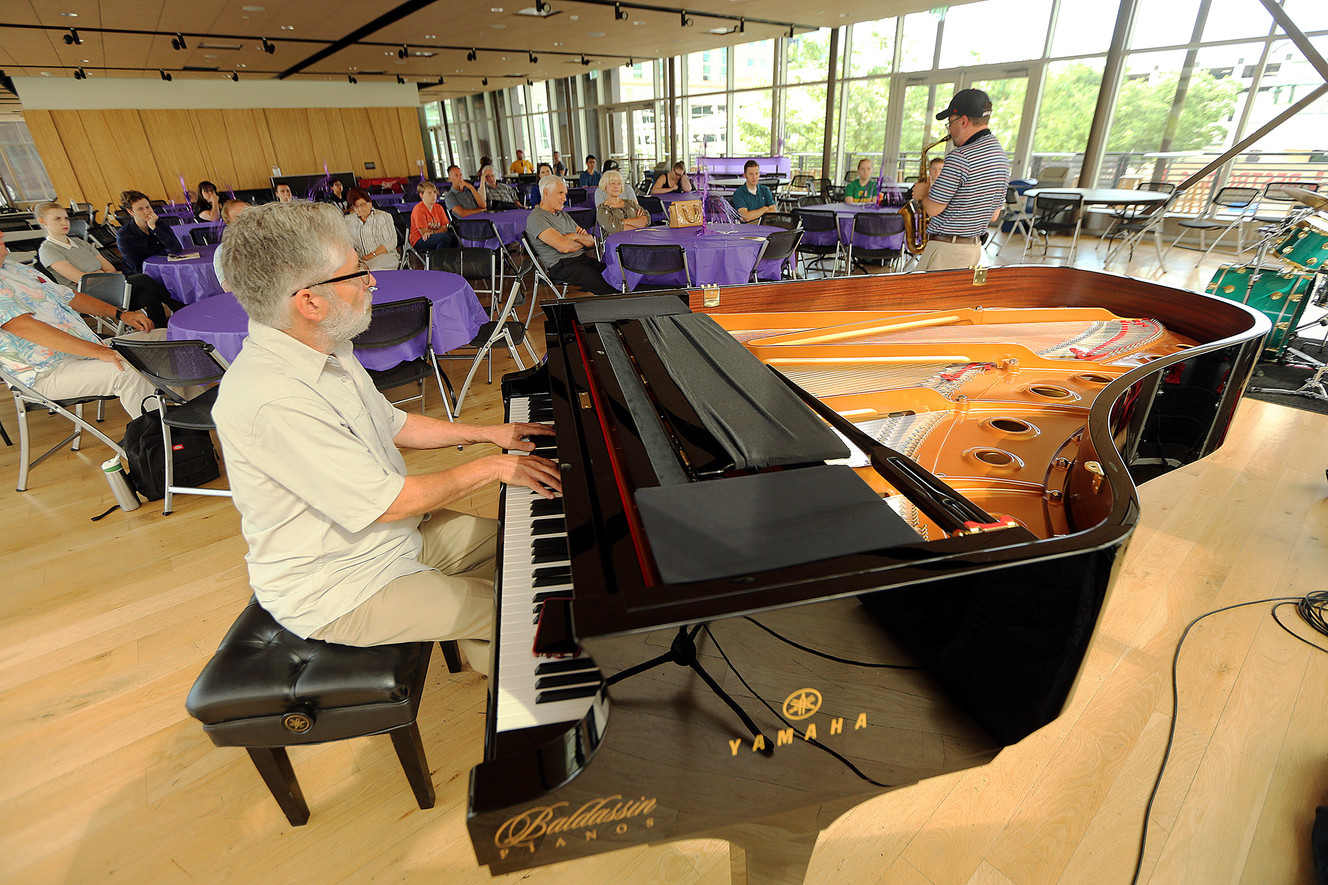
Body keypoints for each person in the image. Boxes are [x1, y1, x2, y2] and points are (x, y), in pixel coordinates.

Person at [212, 200, 560, 674]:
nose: (371, 280)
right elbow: (387, 502)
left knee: (527, 548)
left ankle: (497, 654)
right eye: (356, 273)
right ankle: (523, 677)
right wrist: (494, 466)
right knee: (525, 610)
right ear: (309, 302)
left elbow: (393, 423)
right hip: (341, 584)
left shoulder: (322, 343)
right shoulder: (274, 400)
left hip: (394, 538)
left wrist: (488, 433)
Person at [0, 230, 164, 419]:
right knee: (127, 371)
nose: (2, 234)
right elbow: (23, 326)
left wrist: (121, 314)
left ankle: (192, 420)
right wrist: (98, 352)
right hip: (44, 372)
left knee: (167, 338)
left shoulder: (14, 268)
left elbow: (70, 296)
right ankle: (161, 441)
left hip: (83, 350)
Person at [36, 202, 180, 326]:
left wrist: (99, 275)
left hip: (109, 287)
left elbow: (109, 267)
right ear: (43, 221)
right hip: (86, 297)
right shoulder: (48, 250)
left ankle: (161, 331)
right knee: (142, 279)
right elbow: (82, 280)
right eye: (57, 219)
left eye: (66, 218)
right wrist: (100, 275)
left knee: (150, 296)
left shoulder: (79, 242)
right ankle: (178, 307)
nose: (64, 223)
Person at [913, 89, 1010, 272]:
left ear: (963, 121)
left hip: (946, 250)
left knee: (930, 301)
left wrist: (924, 192)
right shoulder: (1001, 158)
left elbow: (933, 209)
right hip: (973, 250)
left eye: (950, 123)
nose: (949, 130)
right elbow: (994, 215)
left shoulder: (960, 157)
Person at [526, 175, 617, 296]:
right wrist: (578, 240)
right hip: (562, 265)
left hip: (582, 259)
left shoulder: (562, 215)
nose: (565, 198)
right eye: (560, 193)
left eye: (565, 193)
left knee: (615, 274)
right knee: (607, 286)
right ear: (546, 192)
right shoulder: (537, 218)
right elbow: (564, 247)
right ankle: (625, 311)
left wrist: (573, 236)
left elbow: (591, 242)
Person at [115, 190, 178, 275]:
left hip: (163, 269)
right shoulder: (124, 234)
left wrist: (154, 228)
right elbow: (136, 267)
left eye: (148, 207)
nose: (147, 212)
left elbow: (176, 249)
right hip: (140, 276)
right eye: (140, 209)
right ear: (131, 212)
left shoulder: (158, 224)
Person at [345, 188, 399, 272]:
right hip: (362, 260)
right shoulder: (349, 220)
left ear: (370, 203)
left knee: (370, 269)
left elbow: (391, 241)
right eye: (356, 206)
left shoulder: (383, 216)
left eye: (362, 205)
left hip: (384, 257)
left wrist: (373, 254)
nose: (360, 209)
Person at [595, 170, 648, 236]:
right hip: (617, 244)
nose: (616, 186)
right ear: (605, 186)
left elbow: (647, 219)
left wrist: (622, 222)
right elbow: (616, 228)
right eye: (612, 183)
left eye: (619, 183)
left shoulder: (630, 203)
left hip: (638, 239)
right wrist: (637, 221)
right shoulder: (603, 210)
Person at [212, 200, 249, 292]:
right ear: (229, 222)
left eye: (248, 213)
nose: (245, 219)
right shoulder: (223, 251)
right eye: (238, 217)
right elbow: (228, 289)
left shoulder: (272, 241)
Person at [409, 181, 455, 252]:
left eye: (434, 192)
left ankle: (451, 260)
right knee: (445, 238)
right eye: (429, 193)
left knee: (453, 237)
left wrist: (433, 232)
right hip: (419, 239)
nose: (433, 195)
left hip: (435, 236)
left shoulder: (439, 207)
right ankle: (438, 261)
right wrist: (437, 232)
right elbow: (424, 233)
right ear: (421, 195)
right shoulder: (418, 209)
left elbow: (444, 228)